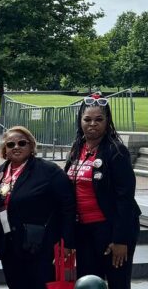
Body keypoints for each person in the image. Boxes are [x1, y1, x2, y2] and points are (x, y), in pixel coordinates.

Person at [64, 95, 140, 289]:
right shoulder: (77, 148)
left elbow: (125, 198)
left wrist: (120, 240)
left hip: (111, 229)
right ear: (80, 120)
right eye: (87, 119)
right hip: (84, 231)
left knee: (117, 283)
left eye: (99, 120)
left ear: (107, 122)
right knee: (88, 283)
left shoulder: (116, 151)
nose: (92, 124)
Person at [0, 126, 75, 289]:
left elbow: (68, 206)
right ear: (5, 149)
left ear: (31, 146)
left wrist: (68, 241)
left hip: (40, 244)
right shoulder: (0, 173)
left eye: (22, 143)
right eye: (10, 144)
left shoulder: (48, 171)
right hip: (9, 244)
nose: (16, 147)